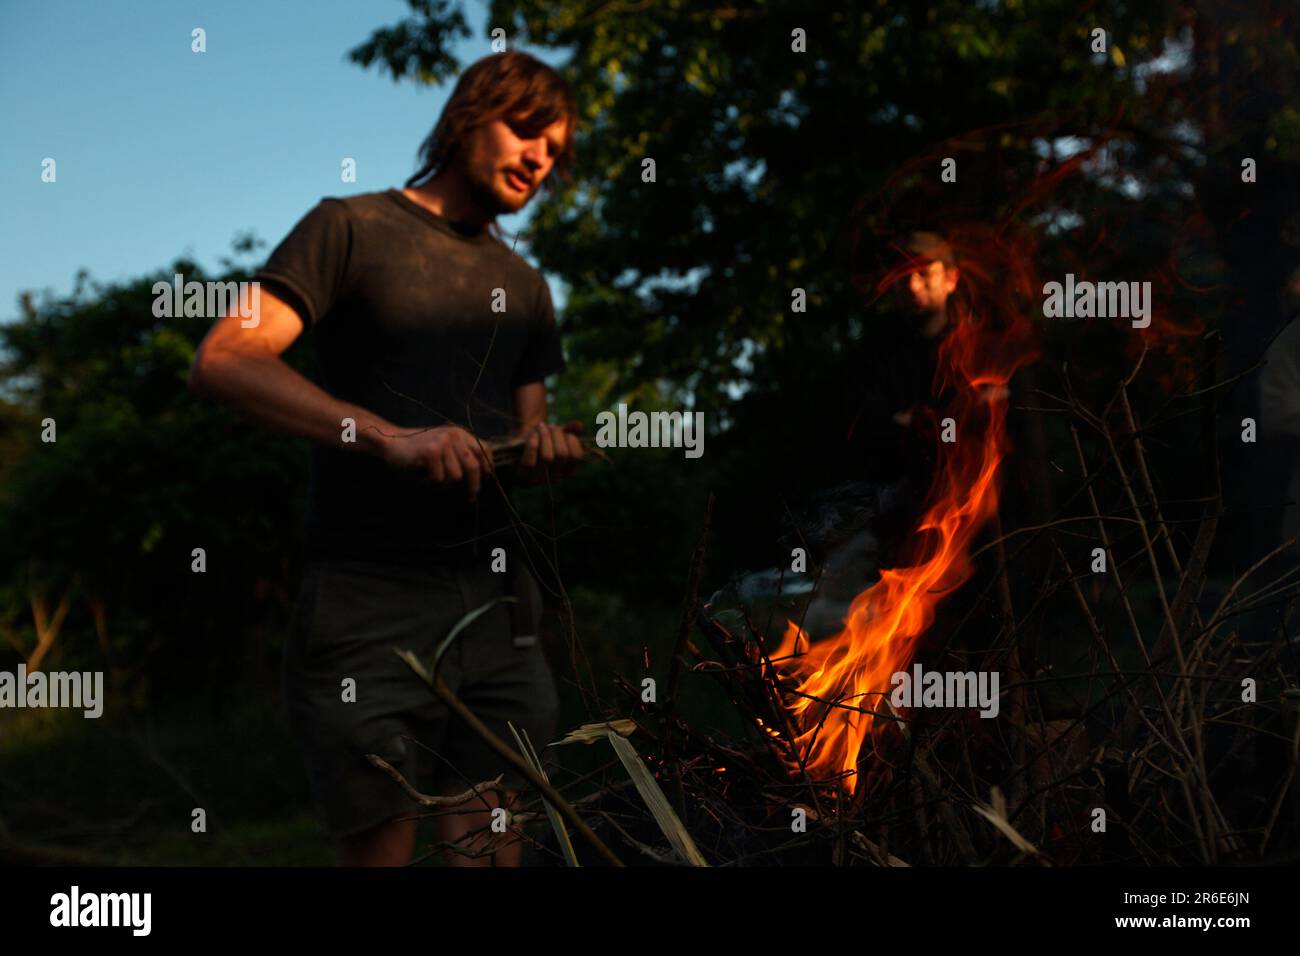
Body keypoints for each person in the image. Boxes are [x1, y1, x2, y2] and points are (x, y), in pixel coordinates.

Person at [188, 51, 584, 866]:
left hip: (499, 601)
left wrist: (544, 450)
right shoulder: (351, 227)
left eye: (557, 147)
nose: (541, 155)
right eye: (525, 128)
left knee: (492, 847)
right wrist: (390, 436)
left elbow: (526, 435)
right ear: (467, 118)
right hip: (368, 601)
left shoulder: (528, 285)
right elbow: (227, 359)